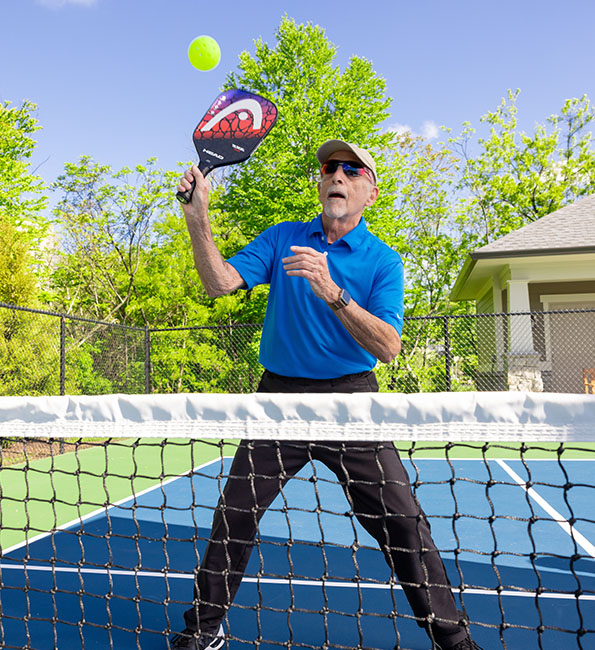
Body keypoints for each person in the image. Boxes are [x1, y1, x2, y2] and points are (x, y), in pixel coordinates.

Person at [171, 140, 483, 650]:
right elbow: (220, 283)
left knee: (403, 523)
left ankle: (454, 641)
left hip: (352, 403)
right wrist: (197, 219)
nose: (337, 174)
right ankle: (202, 631)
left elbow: (388, 346)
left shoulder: (383, 261)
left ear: (370, 191)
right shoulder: (282, 239)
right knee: (235, 515)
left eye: (352, 169)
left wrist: (334, 293)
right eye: (329, 168)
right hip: (279, 400)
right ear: (320, 185)